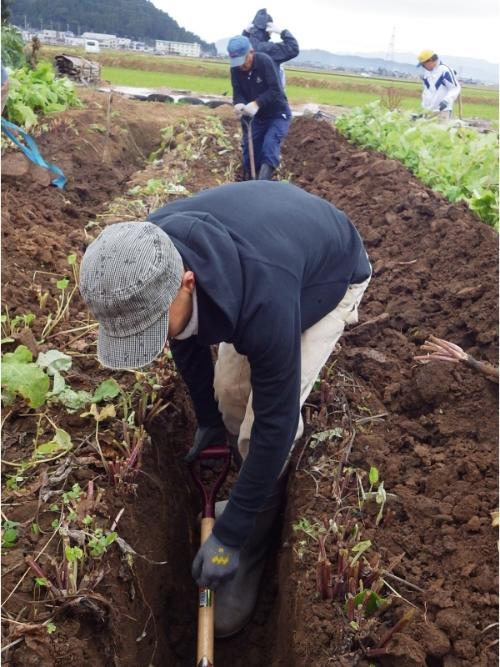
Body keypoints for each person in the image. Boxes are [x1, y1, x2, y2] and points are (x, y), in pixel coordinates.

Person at [79, 180, 372, 637]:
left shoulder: (264, 301)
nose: (154, 341)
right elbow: (182, 338)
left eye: (154, 327)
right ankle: (246, 481)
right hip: (269, 248)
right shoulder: (147, 252)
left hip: (326, 276)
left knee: (261, 428)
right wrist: (210, 423)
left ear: (187, 283)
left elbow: (275, 424)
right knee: (230, 396)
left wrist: (230, 537)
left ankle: (255, 545)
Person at [227, 34, 291, 181]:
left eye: (244, 61)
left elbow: (275, 90)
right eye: (237, 62)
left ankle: (263, 184)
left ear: (251, 52)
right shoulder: (235, 69)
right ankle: (249, 182)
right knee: (250, 153)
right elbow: (238, 92)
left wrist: (257, 103)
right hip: (257, 117)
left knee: (269, 147)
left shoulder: (264, 61)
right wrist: (239, 103)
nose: (241, 66)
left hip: (277, 114)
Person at [242, 8, 299, 88]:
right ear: (268, 28)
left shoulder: (243, 47)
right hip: (267, 96)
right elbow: (293, 48)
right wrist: (281, 32)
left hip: (246, 96)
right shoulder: (268, 48)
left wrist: (245, 33)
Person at [417, 49, 461, 118]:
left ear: (430, 60)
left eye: (423, 64)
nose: (423, 67)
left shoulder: (445, 70)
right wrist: (424, 108)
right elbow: (426, 92)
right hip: (429, 111)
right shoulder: (427, 73)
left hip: (442, 111)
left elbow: (455, 88)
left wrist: (446, 101)